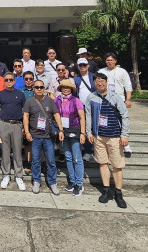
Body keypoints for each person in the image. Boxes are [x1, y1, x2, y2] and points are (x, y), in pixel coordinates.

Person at [85, 72, 130, 209]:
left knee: (117, 165)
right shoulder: (91, 97)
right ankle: (106, 190)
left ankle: (118, 192)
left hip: (115, 136)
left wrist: (125, 135)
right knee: (103, 163)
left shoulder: (115, 97)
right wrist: (89, 132)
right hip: (99, 136)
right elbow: (88, 115)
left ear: (106, 82)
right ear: (94, 83)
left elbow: (125, 116)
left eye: (102, 81)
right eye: (97, 81)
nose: (100, 83)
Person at [23, 79, 64, 195]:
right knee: (35, 161)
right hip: (35, 136)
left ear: (44, 88)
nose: (39, 89)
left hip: (48, 137)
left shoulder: (50, 101)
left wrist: (61, 130)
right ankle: (36, 180)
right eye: (37, 87)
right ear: (34, 89)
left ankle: (52, 182)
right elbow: (26, 116)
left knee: (51, 160)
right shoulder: (29, 101)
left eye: (41, 87)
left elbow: (56, 115)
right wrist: (27, 132)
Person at [0, 72, 27, 190]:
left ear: (14, 81)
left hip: (17, 124)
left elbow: (24, 112)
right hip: (4, 124)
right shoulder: (0, 94)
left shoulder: (20, 94)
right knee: (5, 151)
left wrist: (24, 126)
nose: (9, 82)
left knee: (18, 150)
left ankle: (18, 175)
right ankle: (6, 175)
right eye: (7, 80)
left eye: (11, 80)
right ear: (4, 81)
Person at [54, 79, 86, 196]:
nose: (66, 89)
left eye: (68, 88)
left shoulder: (76, 101)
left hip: (75, 130)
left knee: (76, 157)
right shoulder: (57, 100)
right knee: (67, 156)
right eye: (63, 87)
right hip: (63, 131)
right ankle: (72, 181)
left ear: (71, 89)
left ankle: (79, 183)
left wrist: (83, 133)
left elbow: (82, 117)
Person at [100, 52, 133, 153]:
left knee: (122, 120)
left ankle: (125, 143)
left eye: (111, 60)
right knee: (106, 121)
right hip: (105, 100)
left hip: (120, 99)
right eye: (107, 60)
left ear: (115, 61)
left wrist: (128, 99)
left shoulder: (122, 71)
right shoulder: (101, 71)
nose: (109, 62)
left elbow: (128, 86)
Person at [73, 58, 96, 161]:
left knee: (95, 127)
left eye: (84, 65)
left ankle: (96, 149)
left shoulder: (94, 77)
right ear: (78, 67)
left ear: (88, 66)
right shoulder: (76, 79)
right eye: (80, 65)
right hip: (81, 106)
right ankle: (88, 150)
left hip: (94, 105)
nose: (82, 67)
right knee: (85, 128)